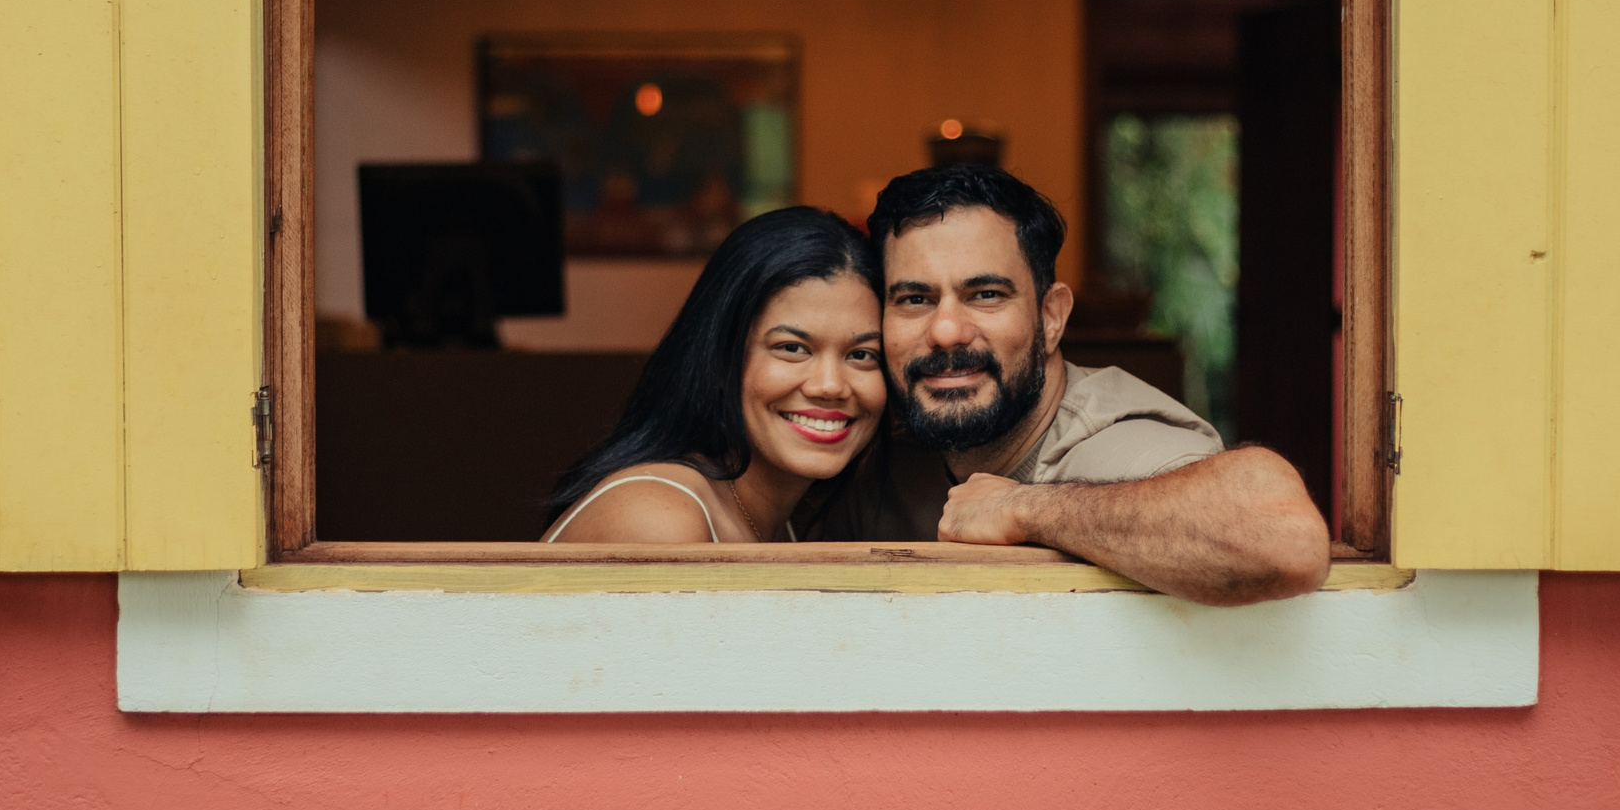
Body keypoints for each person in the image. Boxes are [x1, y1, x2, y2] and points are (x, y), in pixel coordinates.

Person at [808, 164, 1332, 604]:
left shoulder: (1111, 439)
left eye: (986, 294)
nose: (946, 331)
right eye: (914, 299)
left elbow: (1286, 539)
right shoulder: (883, 446)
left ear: (1052, 318)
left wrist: (1021, 509)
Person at [542, 206, 886, 543]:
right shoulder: (663, 520)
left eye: (861, 355)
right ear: (720, 360)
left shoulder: (792, 522)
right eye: (793, 348)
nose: (830, 385)